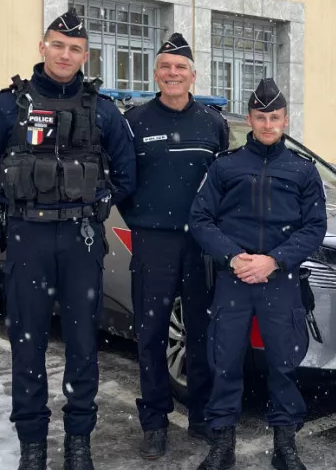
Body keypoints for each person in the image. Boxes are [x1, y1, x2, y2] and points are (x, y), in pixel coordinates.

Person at [0, 10, 137, 470]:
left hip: (81, 240)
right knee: (27, 343)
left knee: (84, 343)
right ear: (43, 48)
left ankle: (79, 442)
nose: (66, 55)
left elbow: (126, 173)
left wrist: (97, 204)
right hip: (28, 240)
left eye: (75, 49)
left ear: (86, 55)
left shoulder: (102, 109)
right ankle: (33, 445)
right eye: (58, 45)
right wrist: (3, 208)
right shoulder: (7, 106)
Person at [188, 78, 327, 470]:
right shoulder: (226, 166)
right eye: (261, 116)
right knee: (225, 361)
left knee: (284, 364)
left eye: (275, 117)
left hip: (280, 280)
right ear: (250, 118)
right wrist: (234, 258)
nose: (268, 124)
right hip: (234, 279)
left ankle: (285, 446)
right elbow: (200, 219)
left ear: (285, 119)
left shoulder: (302, 171)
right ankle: (222, 444)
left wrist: (275, 260)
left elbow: (314, 227)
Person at [117, 33, 230, 459]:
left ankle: (200, 413)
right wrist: (143, 223)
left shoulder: (213, 123)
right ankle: (155, 421)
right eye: (165, 66)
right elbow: (122, 182)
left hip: (200, 245)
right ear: (156, 73)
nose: (173, 73)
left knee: (201, 332)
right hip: (154, 242)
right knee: (150, 334)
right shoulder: (136, 121)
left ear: (193, 75)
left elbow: (222, 184)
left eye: (180, 67)